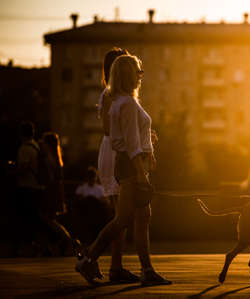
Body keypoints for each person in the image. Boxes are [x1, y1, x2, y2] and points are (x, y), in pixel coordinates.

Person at [76, 54, 171, 285]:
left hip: (128, 163)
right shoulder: (127, 104)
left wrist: (149, 150)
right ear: (130, 75)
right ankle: (89, 259)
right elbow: (129, 142)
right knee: (124, 219)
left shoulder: (122, 101)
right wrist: (140, 171)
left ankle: (145, 270)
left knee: (138, 216)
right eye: (139, 72)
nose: (141, 77)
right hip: (130, 165)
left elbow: (131, 136)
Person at [95, 47, 140, 283]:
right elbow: (107, 128)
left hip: (114, 150)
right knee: (121, 215)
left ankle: (115, 266)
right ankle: (103, 262)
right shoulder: (110, 94)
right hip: (114, 152)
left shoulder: (115, 94)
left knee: (121, 215)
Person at [38, 132, 81, 256]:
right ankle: (60, 244)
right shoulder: (57, 158)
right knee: (49, 219)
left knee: (48, 219)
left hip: (50, 192)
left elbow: (48, 178)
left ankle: (69, 241)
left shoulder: (48, 158)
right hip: (56, 192)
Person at [15, 121, 42, 252]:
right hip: (37, 187)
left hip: (27, 187)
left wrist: (12, 171)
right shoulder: (36, 146)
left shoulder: (24, 148)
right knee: (35, 219)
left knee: (26, 219)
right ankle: (36, 244)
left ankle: (28, 246)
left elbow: (23, 168)